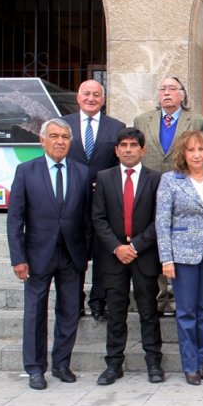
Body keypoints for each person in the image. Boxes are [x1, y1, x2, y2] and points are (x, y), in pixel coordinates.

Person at [7, 118, 92, 390]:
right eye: (54, 136)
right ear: (42, 141)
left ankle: (61, 364)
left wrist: (86, 253)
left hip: (71, 254)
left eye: (65, 137)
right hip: (36, 255)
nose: (60, 141)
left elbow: (88, 217)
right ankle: (34, 368)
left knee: (69, 311)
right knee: (35, 313)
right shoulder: (25, 171)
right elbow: (14, 219)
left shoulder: (82, 172)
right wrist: (18, 258)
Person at [155, 130, 203, 385]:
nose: (197, 154)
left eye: (201, 149)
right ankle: (190, 366)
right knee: (186, 312)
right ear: (182, 154)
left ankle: (200, 362)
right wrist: (166, 258)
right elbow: (162, 222)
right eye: (191, 150)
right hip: (182, 255)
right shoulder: (170, 180)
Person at [92, 128, 164, 385]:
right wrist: (117, 247)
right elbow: (98, 218)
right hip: (114, 257)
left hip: (143, 256)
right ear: (116, 150)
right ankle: (113, 364)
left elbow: (160, 219)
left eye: (134, 145)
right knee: (116, 312)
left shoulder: (156, 179)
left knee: (148, 311)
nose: (128, 149)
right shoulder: (104, 178)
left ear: (143, 150)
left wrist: (137, 246)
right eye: (123, 145)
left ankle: (154, 362)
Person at [135, 76, 203, 316]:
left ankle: (176, 296)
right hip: (149, 188)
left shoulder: (197, 120)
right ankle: (159, 294)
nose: (167, 93)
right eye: (163, 89)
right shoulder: (142, 120)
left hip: (184, 188)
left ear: (182, 95)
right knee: (155, 237)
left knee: (178, 239)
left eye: (172, 89)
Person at [62, 79, 125, 320]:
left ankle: (98, 301)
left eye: (96, 94)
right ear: (78, 98)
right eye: (86, 94)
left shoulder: (116, 126)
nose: (91, 98)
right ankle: (74, 300)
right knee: (73, 251)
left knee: (102, 253)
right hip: (70, 201)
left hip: (103, 201)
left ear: (103, 99)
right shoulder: (64, 125)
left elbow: (120, 163)